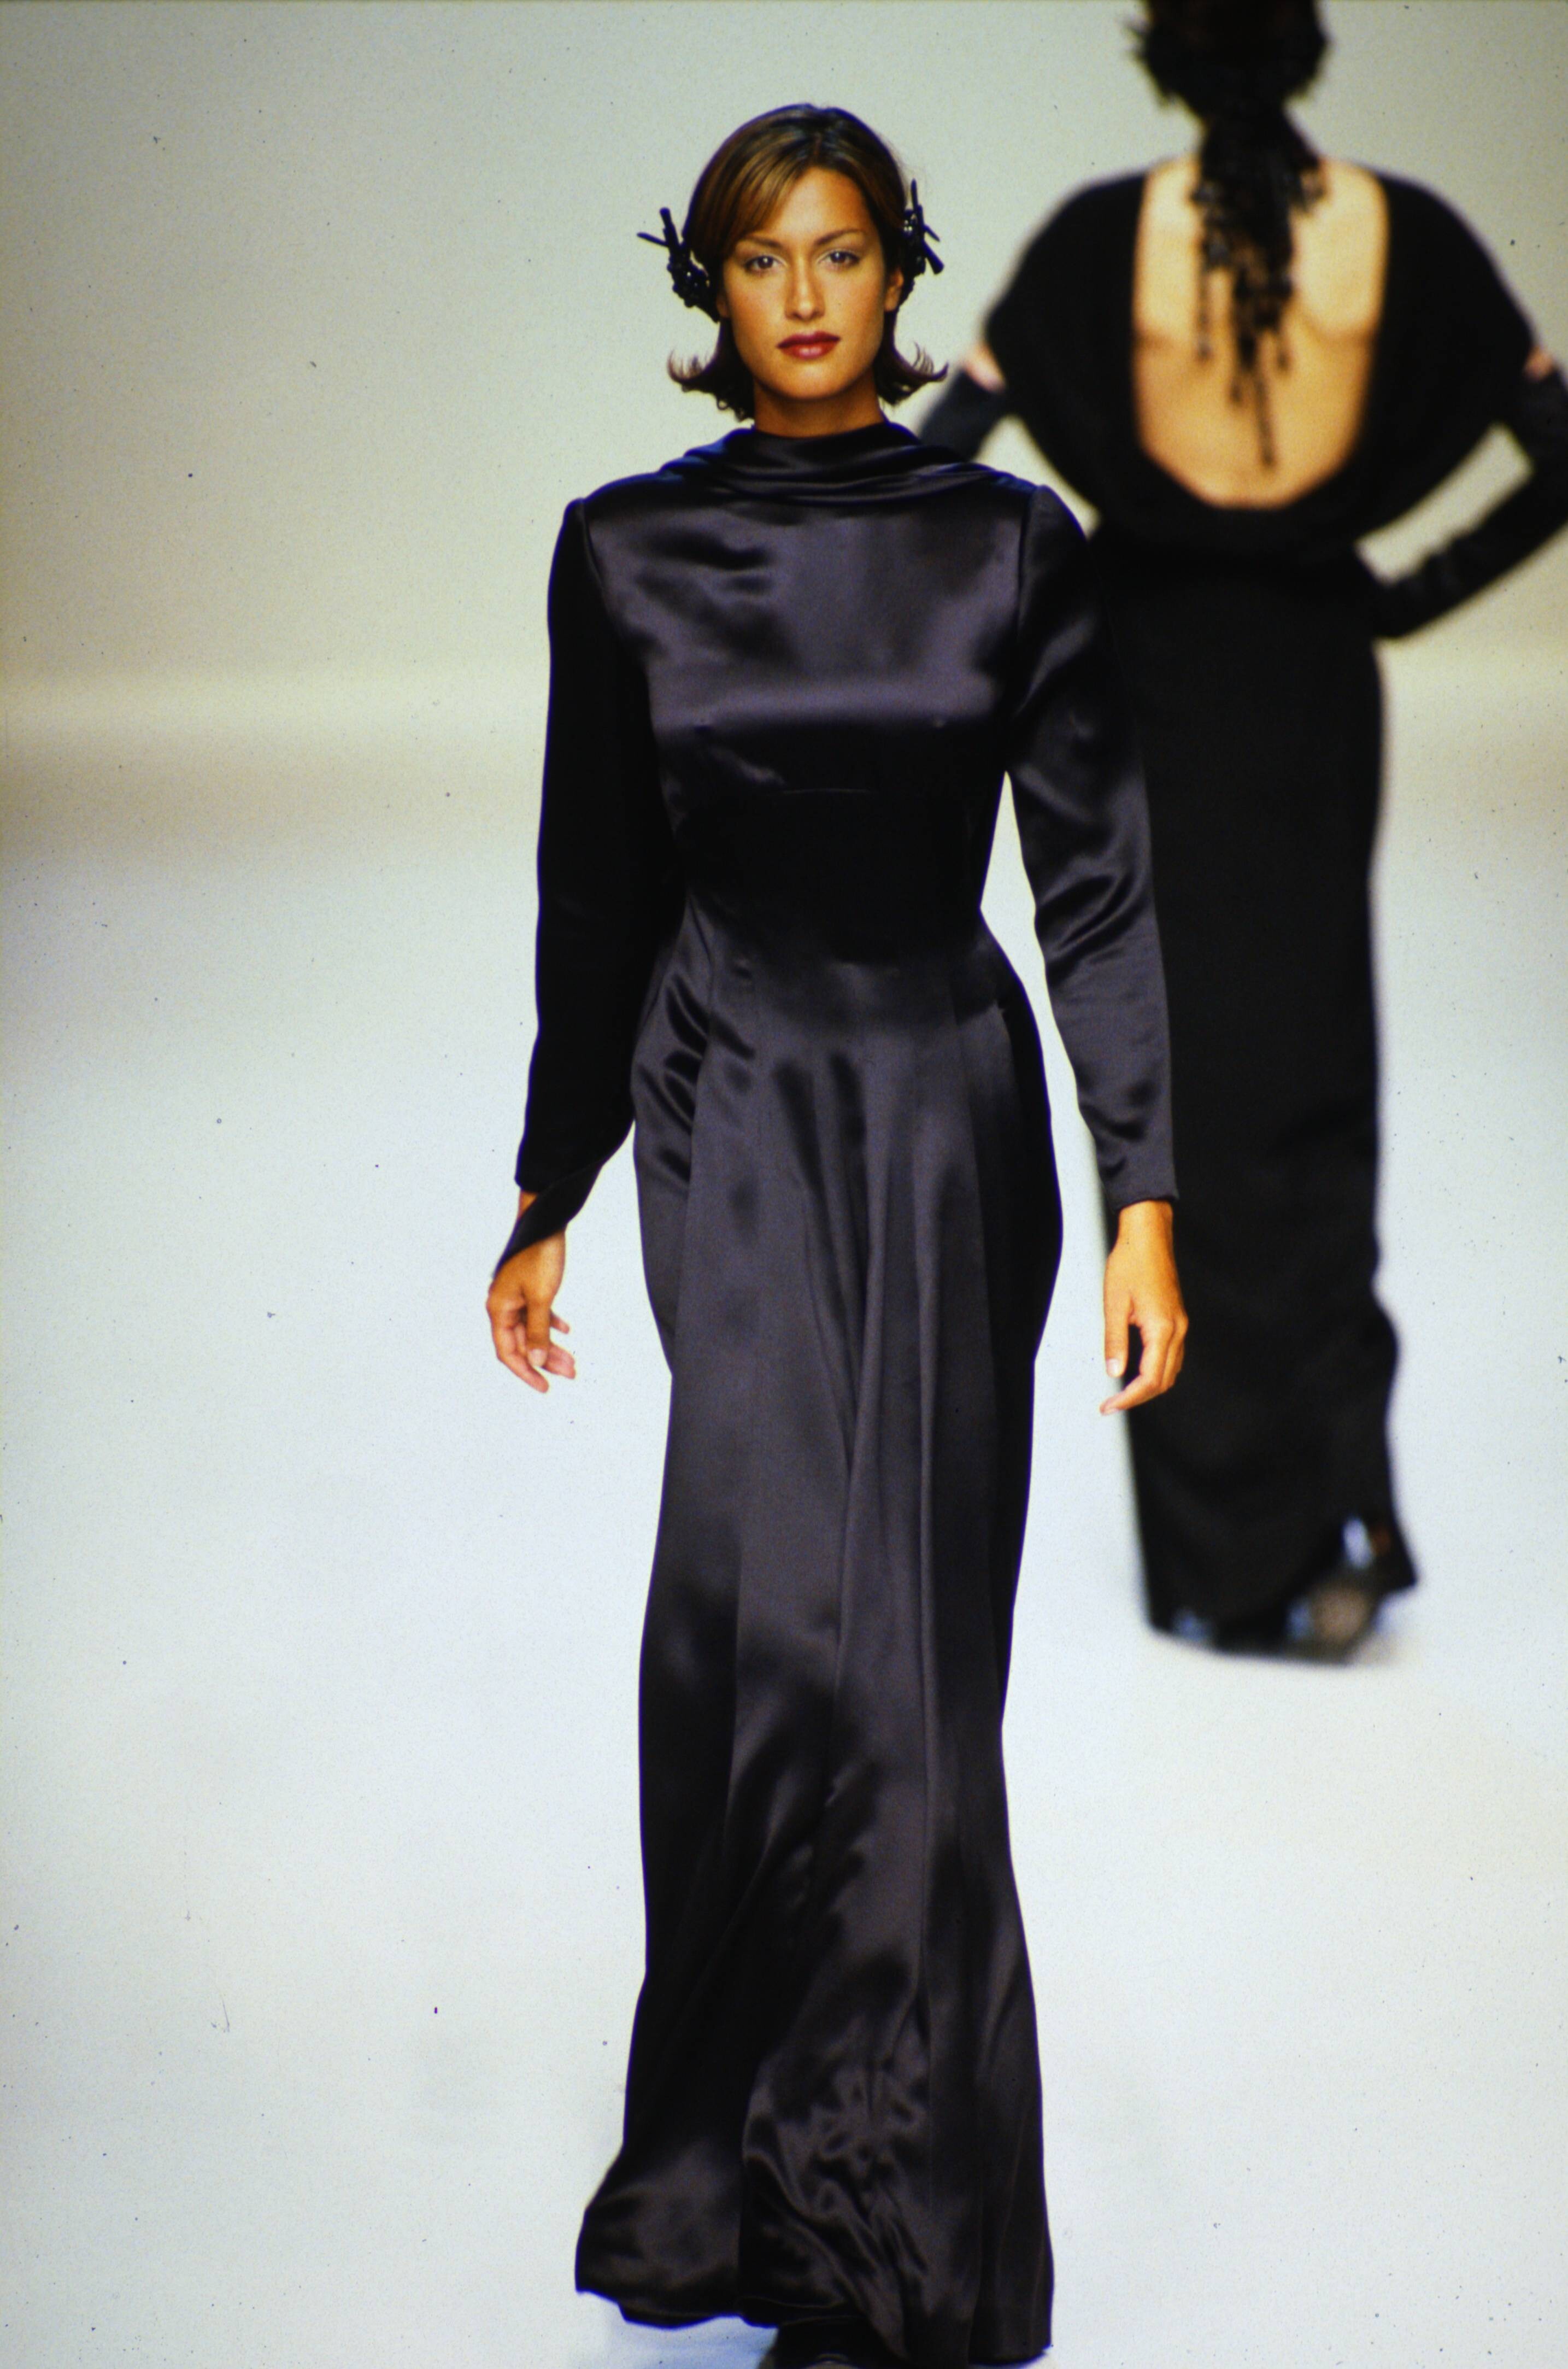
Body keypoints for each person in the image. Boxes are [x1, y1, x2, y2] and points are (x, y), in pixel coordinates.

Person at [485, 104, 1184, 2369]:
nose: (804, 292)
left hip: (942, 1120)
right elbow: (595, 889)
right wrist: (552, 1184)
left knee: (908, 1669)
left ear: (898, 274)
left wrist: (1147, 1193)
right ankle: (757, 2194)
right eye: (762, 255)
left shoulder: (1011, 547)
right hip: (732, 1106)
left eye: (845, 249)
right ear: (709, 286)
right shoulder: (623, 554)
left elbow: (1096, 892)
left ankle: (882, 2247)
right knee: (766, 1644)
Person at [921, 0, 1568, 1656]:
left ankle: (1220, 1564)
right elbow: (1561, 448)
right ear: (1303, 50)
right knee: (1315, 1093)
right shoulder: (1404, 239)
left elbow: (947, 457)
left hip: (1145, 691)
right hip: (1309, 688)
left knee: (1164, 1092)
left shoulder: (1097, 246)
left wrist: (1033, 608)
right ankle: (1349, 1510)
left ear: (1164, 59)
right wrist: (1402, 592)